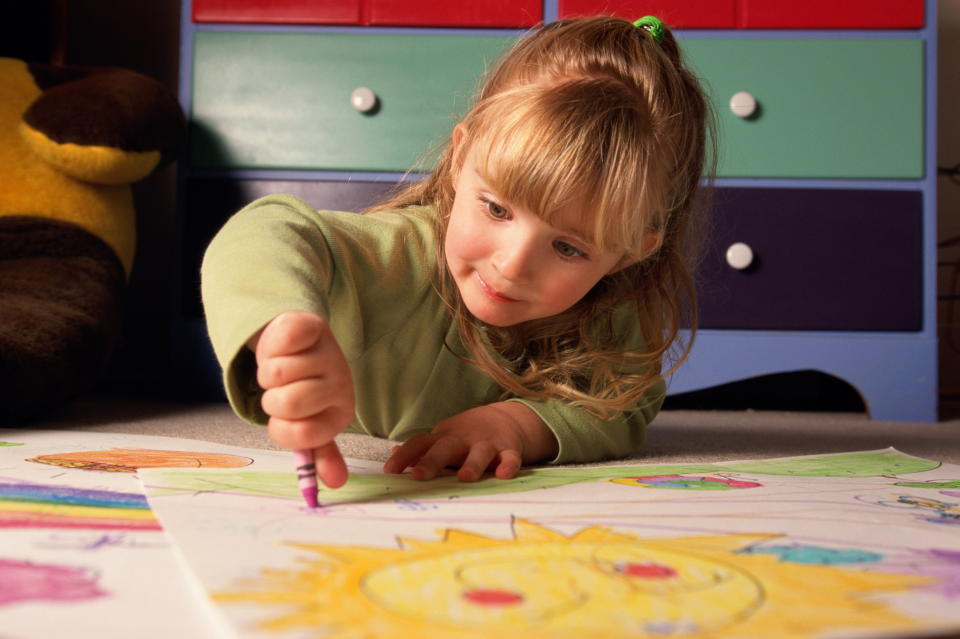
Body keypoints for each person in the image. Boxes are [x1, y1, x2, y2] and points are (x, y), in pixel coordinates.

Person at [201, 15, 713, 490]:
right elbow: (266, 231)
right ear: (461, 156)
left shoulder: (612, 312)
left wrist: (518, 423)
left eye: (566, 247)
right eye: (497, 209)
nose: (512, 264)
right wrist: (278, 324)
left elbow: (625, 407)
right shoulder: (403, 250)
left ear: (631, 251)